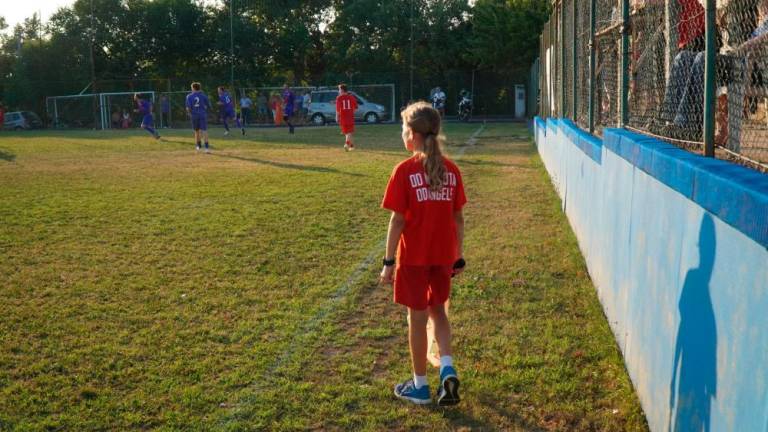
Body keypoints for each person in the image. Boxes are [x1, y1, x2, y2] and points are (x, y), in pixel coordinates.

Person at [380, 101, 466, 406]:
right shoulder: (452, 170)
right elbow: (458, 218)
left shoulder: (404, 171)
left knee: (416, 319)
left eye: (404, 129)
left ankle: (419, 386)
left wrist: (388, 262)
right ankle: (447, 369)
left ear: (413, 135)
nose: (403, 134)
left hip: (414, 259)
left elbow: (398, 220)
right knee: (439, 312)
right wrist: (458, 255)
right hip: (444, 256)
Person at [186, 82, 212, 153]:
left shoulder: (189, 96)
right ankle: (206, 148)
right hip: (202, 115)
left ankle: (198, 146)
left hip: (194, 115)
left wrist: (189, 113)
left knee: (196, 131)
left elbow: (188, 108)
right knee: (204, 130)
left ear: (193, 88)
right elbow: (209, 106)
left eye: (191, 88)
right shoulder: (204, 96)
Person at [336, 83, 358, 151]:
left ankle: (348, 145)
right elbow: (356, 108)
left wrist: (337, 116)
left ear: (342, 90)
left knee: (347, 132)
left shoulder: (339, 98)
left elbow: (337, 109)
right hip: (350, 117)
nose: (338, 91)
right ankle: (350, 145)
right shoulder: (351, 97)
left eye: (339, 89)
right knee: (349, 132)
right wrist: (351, 112)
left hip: (343, 117)